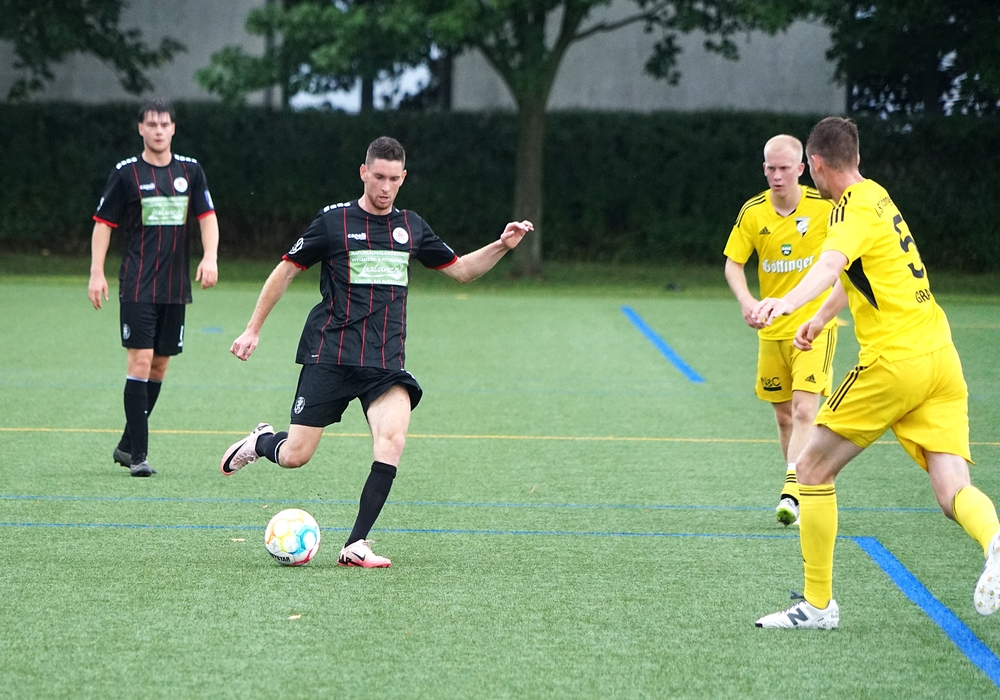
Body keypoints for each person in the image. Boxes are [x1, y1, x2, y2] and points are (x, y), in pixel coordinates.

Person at [220, 136, 532, 568]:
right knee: (295, 455)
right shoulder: (333, 222)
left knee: (392, 441)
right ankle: (261, 441)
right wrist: (253, 329)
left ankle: (356, 544)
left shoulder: (411, 227)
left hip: (385, 362)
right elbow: (286, 271)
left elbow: (461, 270)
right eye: (378, 177)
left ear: (403, 178)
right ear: (364, 172)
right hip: (331, 353)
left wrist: (502, 245)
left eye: (393, 179)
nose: (385, 187)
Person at [753, 117, 1000, 629]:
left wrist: (786, 303)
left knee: (810, 469)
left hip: (895, 361)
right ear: (858, 158)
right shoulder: (878, 196)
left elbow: (829, 266)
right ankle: (995, 541)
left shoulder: (848, 209)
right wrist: (819, 318)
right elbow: (858, 275)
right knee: (952, 489)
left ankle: (818, 605)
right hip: (941, 357)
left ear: (815, 165)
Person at [89, 99, 219, 477]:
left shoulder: (190, 171)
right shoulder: (126, 173)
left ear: (173, 128)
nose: (159, 130)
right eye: (152, 124)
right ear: (141, 129)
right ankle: (139, 456)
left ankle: (126, 444)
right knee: (141, 361)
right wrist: (96, 272)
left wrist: (210, 257)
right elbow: (103, 224)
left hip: (175, 286)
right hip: (137, 283)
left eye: (165, 124)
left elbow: (207, 216)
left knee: (159, 365)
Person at [723, 135, 837, 527]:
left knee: (806, 409)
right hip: (772, 330)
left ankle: (793, 490)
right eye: (770, 168)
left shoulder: (825, 207)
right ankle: (802, 485)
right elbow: (733, 263)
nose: (776, 175)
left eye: (784, 168)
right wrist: (747, 302)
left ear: (801, 169)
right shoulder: (753, 212)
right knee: (785, 417)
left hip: (814, 326)